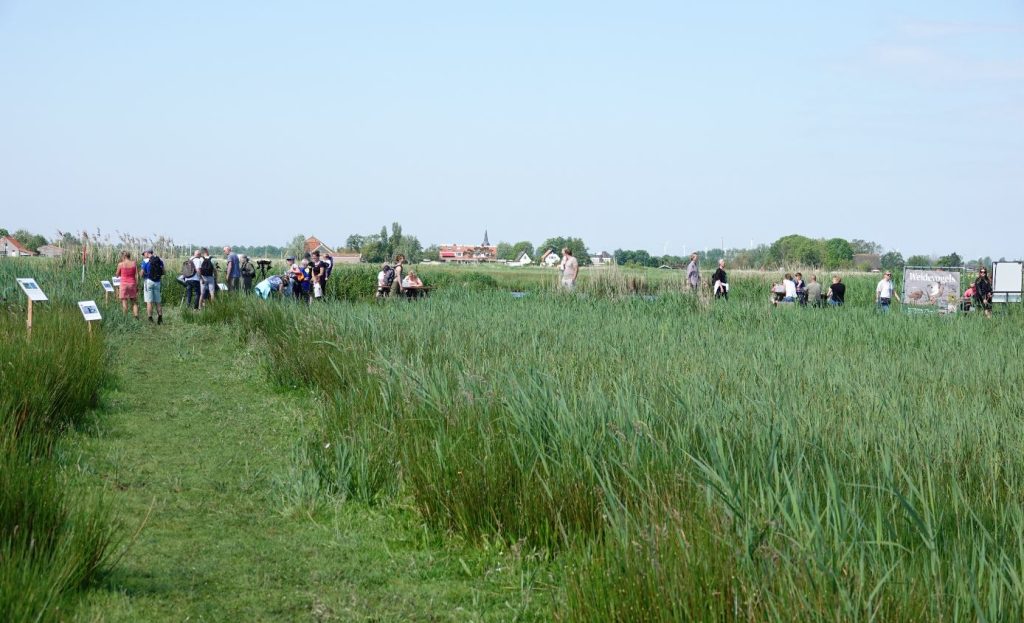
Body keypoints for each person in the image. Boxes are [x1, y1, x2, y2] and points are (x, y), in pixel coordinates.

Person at [141, 248, 165, 324]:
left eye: (144, 253)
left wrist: (143, 276)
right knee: (158, 301)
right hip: (157, 282)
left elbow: (141, 273)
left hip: (148, 282)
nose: (144, 255)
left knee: (149, 302)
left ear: (147, 253)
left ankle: (150, 318)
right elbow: (164, 272)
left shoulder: (145, 261)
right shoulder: (159, 260)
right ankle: (160, 318)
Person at [115, 251, 139, 318]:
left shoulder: (120, 264)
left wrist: (120, 273)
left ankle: (125, 318)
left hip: (124, 284)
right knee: (134, 301)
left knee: (124, 301)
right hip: (132, 283)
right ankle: (136, 316)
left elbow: (117, 275)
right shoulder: (134, 263)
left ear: (124, 256)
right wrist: (137, 285)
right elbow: (136, 275)